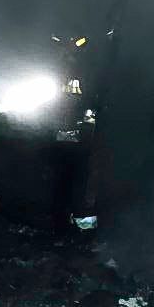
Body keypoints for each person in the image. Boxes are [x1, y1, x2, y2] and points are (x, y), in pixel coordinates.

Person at [44, 27, 110, 232]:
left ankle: (84, 221)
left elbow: (97, 100)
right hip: (61, 133)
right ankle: (61, 219)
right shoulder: (56, 73)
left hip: (84, 135)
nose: (67, 54)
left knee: (83, 175)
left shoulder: (89, 71)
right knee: (62, 176)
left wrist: (88, 116)